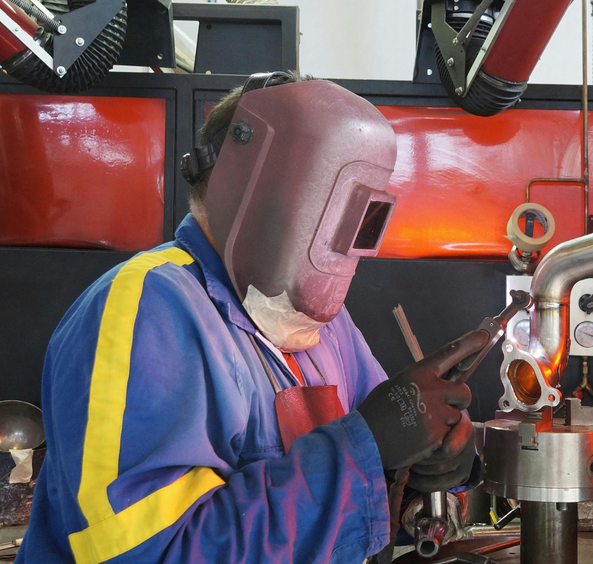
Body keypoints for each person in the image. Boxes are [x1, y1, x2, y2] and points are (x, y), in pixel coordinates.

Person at [15, 72, 484, 564]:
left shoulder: (325, 325)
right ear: (253, 185)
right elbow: (146, 554)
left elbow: (379, 463)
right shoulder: (144, 310)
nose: (343, 241)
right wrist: (362, 451)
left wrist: (427, 466)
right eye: (331, 206)